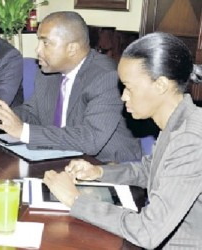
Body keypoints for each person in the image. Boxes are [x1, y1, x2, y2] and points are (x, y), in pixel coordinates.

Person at [43, 32, 202, 249]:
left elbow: (148, 232)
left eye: (129, 87)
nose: (123, 96)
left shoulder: (190, 139)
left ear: (161, 85)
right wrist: (98, 173)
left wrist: (76, 200)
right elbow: (149, 172)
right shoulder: (178, 122)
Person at [0, 11, 141, 163]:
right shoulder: (47, 71)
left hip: (109, 166)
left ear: (72, 48)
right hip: (61, 159)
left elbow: (90, 139)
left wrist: (23, 131)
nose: (38, 50)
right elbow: (33, 113)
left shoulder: (105, 76)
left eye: (45, 42)